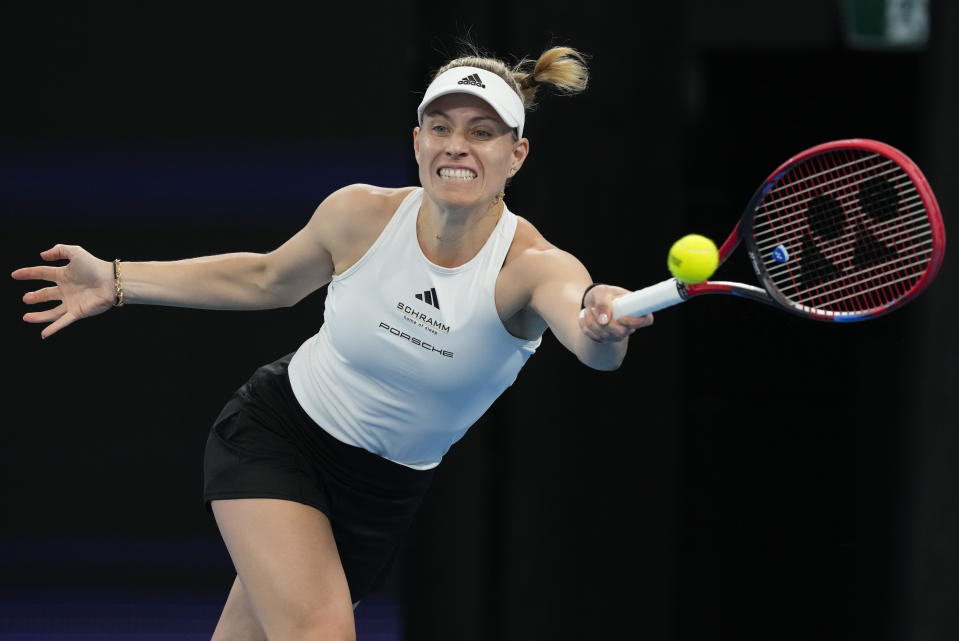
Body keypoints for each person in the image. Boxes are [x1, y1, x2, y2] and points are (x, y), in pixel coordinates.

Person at [13, 44, 653, 641]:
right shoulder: (359, 214)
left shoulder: (536, 266)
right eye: (441, 127)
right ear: (417, 140)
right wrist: (117, 280)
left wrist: (603, 322)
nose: (457, 146)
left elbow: (590, 341)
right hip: (277, 437)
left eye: (482, 133)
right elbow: (265, 277)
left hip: (381, 495)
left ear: (516, 155)